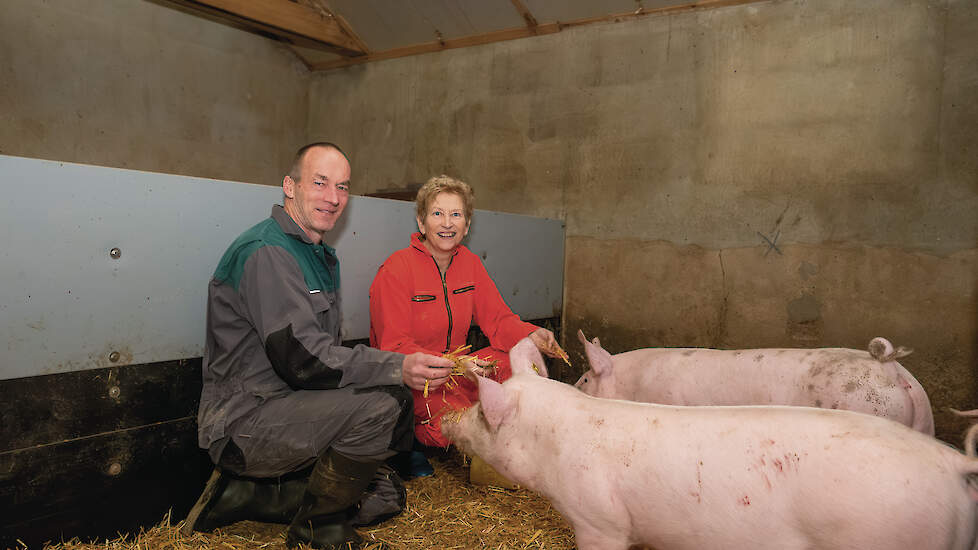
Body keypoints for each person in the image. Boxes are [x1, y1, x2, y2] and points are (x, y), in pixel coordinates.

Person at [185, 142, 455, 550]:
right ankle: (317, 532)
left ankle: (248, 496)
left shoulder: (315, 253)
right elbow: (304, 360)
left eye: (343, 187)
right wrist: (397, 366)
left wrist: (391, 368)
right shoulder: (268, 254)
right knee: (384, 405)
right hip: (246, 422)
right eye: (320, 183)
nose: (333, 198)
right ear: (289, 186)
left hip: (290, 407)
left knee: (386, 496)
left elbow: (325, 358)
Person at [368, 175, 564, 451]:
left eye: (456, 214)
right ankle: (414, 432)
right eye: (437, 213)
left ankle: (500, 428)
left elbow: (498, 320)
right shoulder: (396, 270)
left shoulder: (469, 263)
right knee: (457, 417)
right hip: (416, 380)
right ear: (422, 222)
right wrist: (457, 366)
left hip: (460, 372)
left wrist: (532, 334)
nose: (447, 223)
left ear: (467, 225)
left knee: (515, 360)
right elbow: (395, 347)